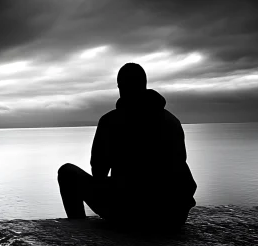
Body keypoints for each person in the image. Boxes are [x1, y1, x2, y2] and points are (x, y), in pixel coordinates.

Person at [57, 63, 197, 227]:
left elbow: (99, 173)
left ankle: (77, 230)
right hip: (174, 215)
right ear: (144, 85)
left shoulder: (111, 121)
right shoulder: (171, 121)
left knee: (67, 173)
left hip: (132, 214)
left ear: (120, 87)